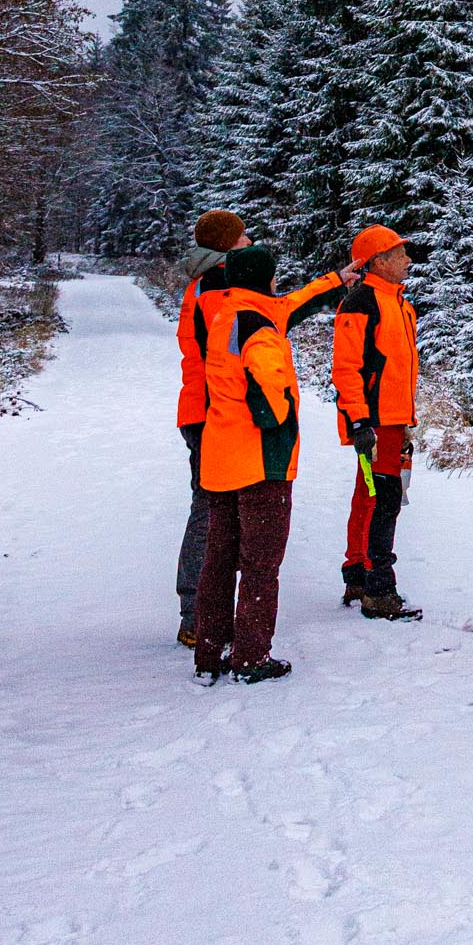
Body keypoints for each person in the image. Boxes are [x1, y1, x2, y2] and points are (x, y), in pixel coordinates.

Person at [191, 243, 346, 683]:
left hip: (221, 459)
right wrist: (279, 415)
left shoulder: (226, 315)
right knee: (261, 566)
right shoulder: (260, 327)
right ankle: (251, 658)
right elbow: (267, 388)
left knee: (218, 560)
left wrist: (335, 280)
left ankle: (210, 652)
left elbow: (290, 305)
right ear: (265, 279)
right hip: (261, 463)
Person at [335, 224, 422, 622]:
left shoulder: (400, 303)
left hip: (392, 420)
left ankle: (358, 574)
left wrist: (405, 420)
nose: (408, 260)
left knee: (371, 496)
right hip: (374, 421)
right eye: (400, 253)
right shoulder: (361, 303)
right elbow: (347, 369)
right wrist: (360, 421)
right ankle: (379, 589)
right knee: (383, 500)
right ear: (379, 261)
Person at [172, 208, 248, 646]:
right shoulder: (218, 286)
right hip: (212, 413)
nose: (248, 239)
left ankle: (200, 612)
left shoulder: (204, 283)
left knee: (213, 509)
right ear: (226, 244)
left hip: (203, 410)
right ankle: (197, 615)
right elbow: (234, 351)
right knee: (211, 512)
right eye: (241, 235)